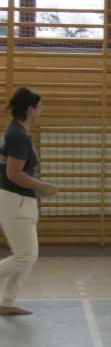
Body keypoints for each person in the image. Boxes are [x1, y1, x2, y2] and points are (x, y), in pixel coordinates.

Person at [0, 88, 58, 316]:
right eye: (39, 107)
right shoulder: (18, 136)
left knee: (28, 255)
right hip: (16, 201)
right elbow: (14, 174)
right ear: (30, 110)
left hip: (20, 201)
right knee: (25, 255)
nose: (41, 111)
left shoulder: (17, 132)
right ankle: (7, 300)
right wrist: (42, 186)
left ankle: (7, 301)